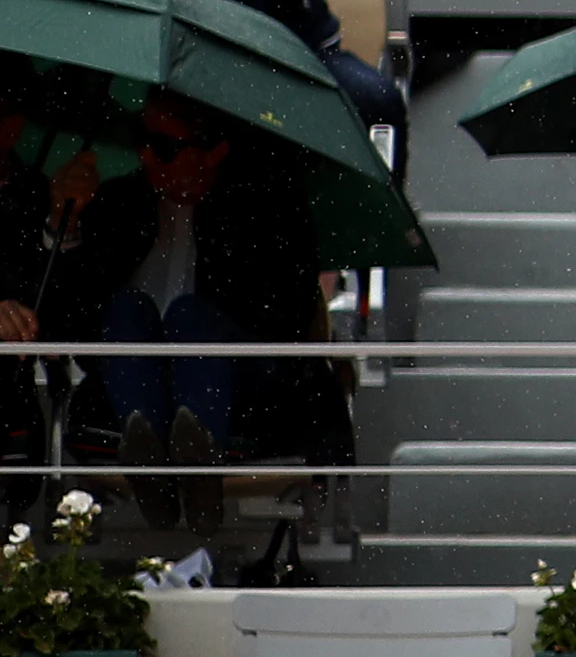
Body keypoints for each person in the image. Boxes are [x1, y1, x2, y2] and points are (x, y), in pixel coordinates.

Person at [1, 94, 334, 523]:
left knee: (189, 316)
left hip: (246, 396)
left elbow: (284, 315)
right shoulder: (120, 203)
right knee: (126, 309)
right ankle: (154, 461)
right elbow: (67, 320)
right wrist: (62, 224)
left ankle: (193, 459)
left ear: (214, 151)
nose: (144, 155)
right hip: (124, 392)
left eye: (165, 147)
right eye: (141, 139)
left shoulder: (264, 207)